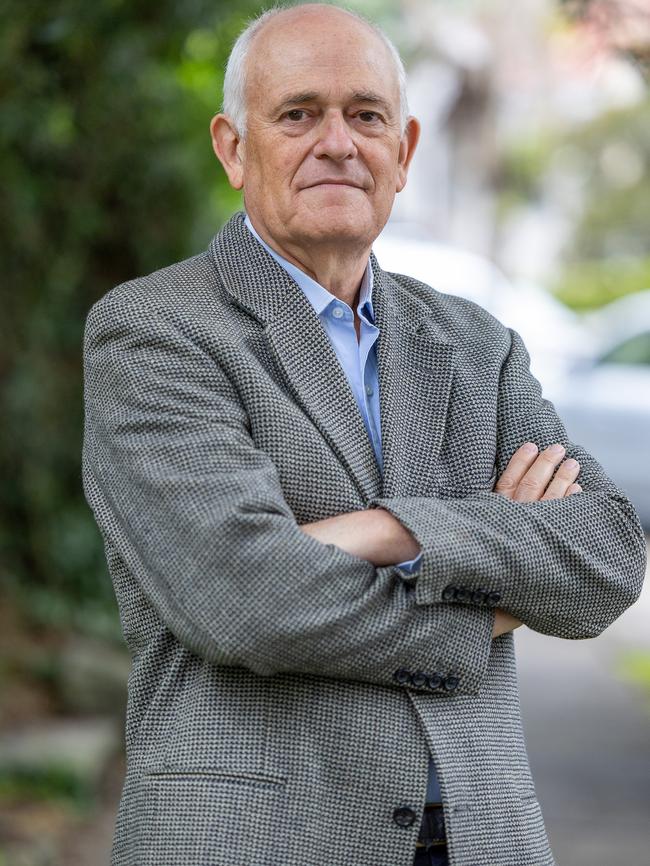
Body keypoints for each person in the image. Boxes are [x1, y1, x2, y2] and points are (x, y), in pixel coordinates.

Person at [81, 4, 647, 865]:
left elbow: (605, 554)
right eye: (299, 113)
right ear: (234, 148)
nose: (339, 142)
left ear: (405, 152)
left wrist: (389, 529)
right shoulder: (155, 330)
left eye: (366, 116)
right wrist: (491, 597)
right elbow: (246, 600)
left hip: (481, 837)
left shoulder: (478, 344)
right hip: (255, 840)